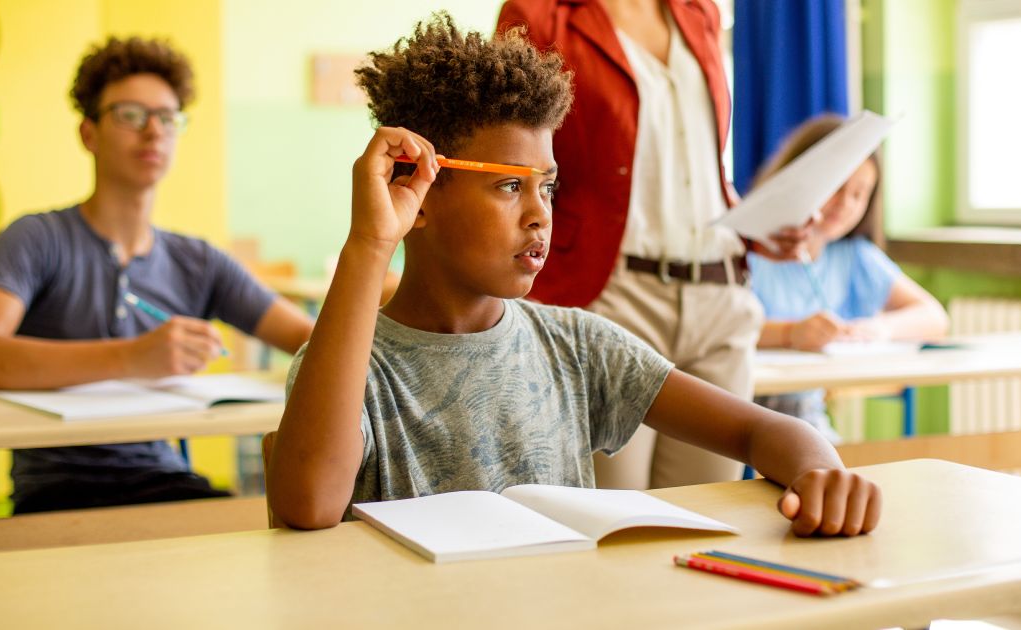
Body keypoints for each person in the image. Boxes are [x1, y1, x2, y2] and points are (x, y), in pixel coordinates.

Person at [267, 15, 881, 539]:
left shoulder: (578, 346)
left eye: (549, 187)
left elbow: (763, 429)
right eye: (510, 186)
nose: (540, 216)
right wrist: (370, 242)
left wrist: (819, 473)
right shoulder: (354, 367)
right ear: (417, 193)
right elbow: (310, 505)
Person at [0, 36, 315, 514]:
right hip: (56, 493)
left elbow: (313, 341)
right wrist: (133, 357)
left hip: (162, 479)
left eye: (167, 118)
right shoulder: (35, 239)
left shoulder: (198, 260)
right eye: (131, 115)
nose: (153, 132)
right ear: (89, 133)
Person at [496, 0, 809, 489]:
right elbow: (512, 158)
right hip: (614, 297)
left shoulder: (698, 12)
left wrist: (754, 223)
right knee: (615, 521)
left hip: (719, 293)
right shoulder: (540, 18)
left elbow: (696, 164)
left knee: (708, 514)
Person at [749, 114, 949, 442]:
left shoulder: (854, 257)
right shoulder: (748, 250)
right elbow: (717, 330)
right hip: (745, 414)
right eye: (836, 187)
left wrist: (879, 328)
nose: (845, 204)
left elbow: (934, 317)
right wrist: (790, 333)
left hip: (807, 425)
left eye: (859, 194)